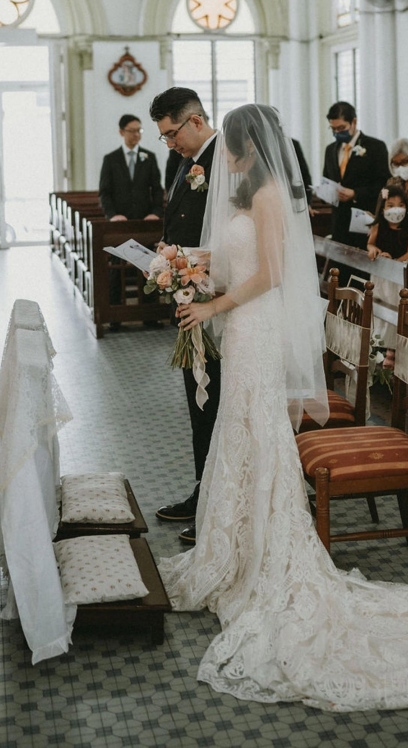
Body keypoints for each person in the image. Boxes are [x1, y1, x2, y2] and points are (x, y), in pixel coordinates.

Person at [161, 103, 408, 710]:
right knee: (241, 437)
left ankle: (265, 553)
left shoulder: (269, 198)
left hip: (253, 328)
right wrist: (188, 270)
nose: (223, 160)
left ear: (248, 150)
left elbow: (273, 274)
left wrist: (212, 306)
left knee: (257, 433)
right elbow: (236, 262)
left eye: (229, 150)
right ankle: (232, 547)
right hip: (239, 329)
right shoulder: (239, 199)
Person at [149, 87, 219, 545]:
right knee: (198, 399)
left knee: (216, 402)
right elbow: (178, 219)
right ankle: (204, 489)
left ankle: (217, 499)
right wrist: (166, 253)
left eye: (172, 134)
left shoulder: (226, 162)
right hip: (188, 293)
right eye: (164, 138)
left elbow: (230, 240)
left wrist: (187, 261)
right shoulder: (181, 161)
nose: (170, 144)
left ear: (194, 121)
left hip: (217, 299)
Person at [322, 101, 389, 249]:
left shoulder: (375, 147)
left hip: (363, 221)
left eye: (341, 128)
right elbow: (327, 178)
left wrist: (355, 193)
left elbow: (383, 184)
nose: (337, 133)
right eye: (333, 129)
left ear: (353, 122)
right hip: (339, 222)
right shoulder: (330, 150)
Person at [98, 115, 163, 222]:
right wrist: (112, 215)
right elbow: (105, 192)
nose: (136, 134)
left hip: (145, 218)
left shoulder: (149, 157)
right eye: (132, 131)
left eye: (139, 130)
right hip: (119, 218)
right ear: (121, 132)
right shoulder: (110, 159)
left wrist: (155, 213)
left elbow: (157, 189)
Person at [367, 186, 408, 261]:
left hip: (400, 268)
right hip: (379, 267)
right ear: (382, 209)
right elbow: (370, 244)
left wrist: (392, 263)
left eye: (401, 205)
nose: (396, 210)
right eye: (390, 206)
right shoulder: (377, 226)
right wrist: (373, 249)